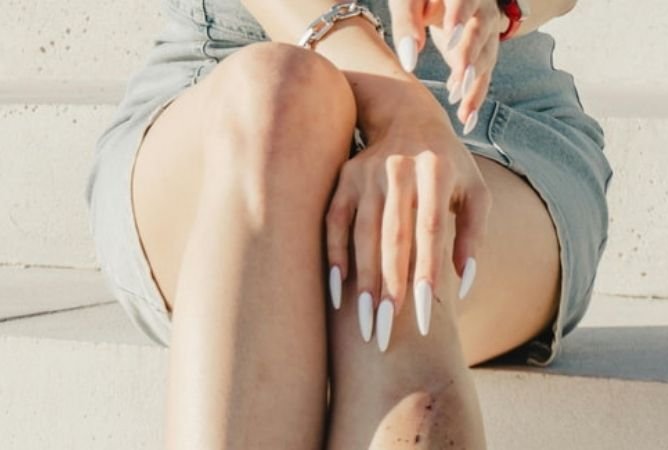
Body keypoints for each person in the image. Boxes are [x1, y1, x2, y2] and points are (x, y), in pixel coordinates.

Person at [83, 0, 612, 447]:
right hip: (225, 100)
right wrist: (401, 106)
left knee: (405, 258)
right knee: (278, 91)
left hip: (489, 124)